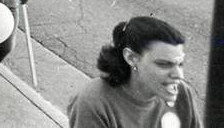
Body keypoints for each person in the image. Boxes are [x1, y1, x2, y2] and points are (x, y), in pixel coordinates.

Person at [68, 17, 200, 128]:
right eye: (164, 64)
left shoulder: (182, 93)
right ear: (131, 58)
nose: (178, 75)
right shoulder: (94, 103)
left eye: (180, 64)